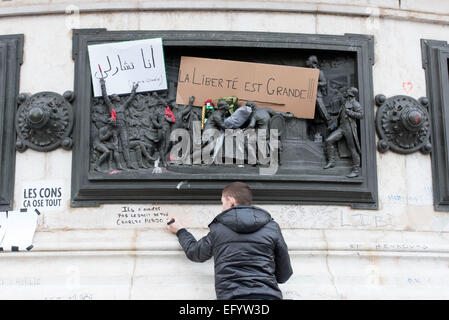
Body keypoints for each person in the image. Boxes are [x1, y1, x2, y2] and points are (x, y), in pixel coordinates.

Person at [167, 181, 293, 300]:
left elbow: (195, 253)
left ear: (231, 202)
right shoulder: (271, 227)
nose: (222, 208)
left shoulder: (219, 229)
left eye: (222, 203)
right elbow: (284, 274)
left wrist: (180, 231)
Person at [323, 87, 363, 178]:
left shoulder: (355, 104)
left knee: (352, 149)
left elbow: (361, 115)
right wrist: (333, 126)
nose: (345, 93)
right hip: (341, 128)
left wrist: (350, 112)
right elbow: (339, 117)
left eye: (346, 92)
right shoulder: (345, 103)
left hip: (349, 128)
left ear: (350, 94)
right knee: (328, 140)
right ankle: (331, 161)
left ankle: (356, 170)